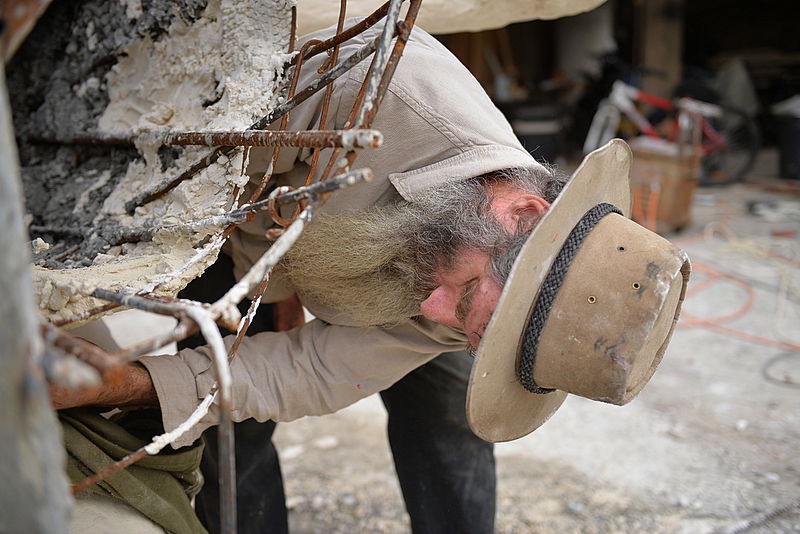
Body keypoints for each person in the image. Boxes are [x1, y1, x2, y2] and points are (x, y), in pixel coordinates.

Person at [52, 17, 690, 534]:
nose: (429, 314)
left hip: (313, 234)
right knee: (229, 433)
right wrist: (269, 295)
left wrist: (116, 384)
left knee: (449, 426)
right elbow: (199, 181)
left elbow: (320, 369)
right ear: (521, 213)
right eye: (468, 293)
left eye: (477, 332)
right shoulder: (374, 91)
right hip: (233, 221)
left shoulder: (479, 295)